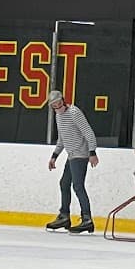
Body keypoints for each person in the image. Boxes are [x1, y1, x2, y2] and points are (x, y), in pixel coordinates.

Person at [45, 89, 98, 233]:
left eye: (59, 103)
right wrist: (54, 155)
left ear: (63, 100)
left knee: (78, 186)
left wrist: (92, 152)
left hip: (80, 154)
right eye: (54, 106)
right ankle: (64, 216)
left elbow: (88, 132)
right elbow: (62, 139)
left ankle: (87, 218)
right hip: (71, 155)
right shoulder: (58, 116)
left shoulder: (74, 112)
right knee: (64, 183)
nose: (58, 107)